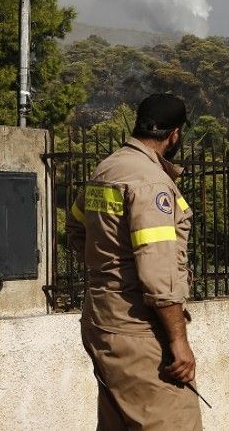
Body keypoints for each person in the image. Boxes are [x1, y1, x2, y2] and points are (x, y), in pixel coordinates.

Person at [66, 93, 201, 430]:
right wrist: (179, 342)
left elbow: (75, 227)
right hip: (137, 329)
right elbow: (158, 276)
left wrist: (108, 268)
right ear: (174, 135)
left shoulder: (107, 168)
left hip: (100, 319)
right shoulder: (151, 182)